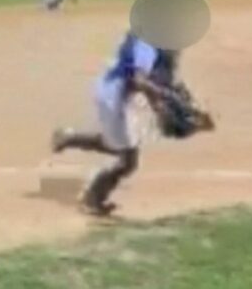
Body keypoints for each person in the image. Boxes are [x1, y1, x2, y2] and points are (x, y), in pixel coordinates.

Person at [50, 32, 176, 216]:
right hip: (112, 96)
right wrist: (159, 99)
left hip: (113, 92)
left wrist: (158, 100)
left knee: (117, 145)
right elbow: (138, 80)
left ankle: (70, 138)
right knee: (128, 160)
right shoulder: (147, 44)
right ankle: (92, 198)